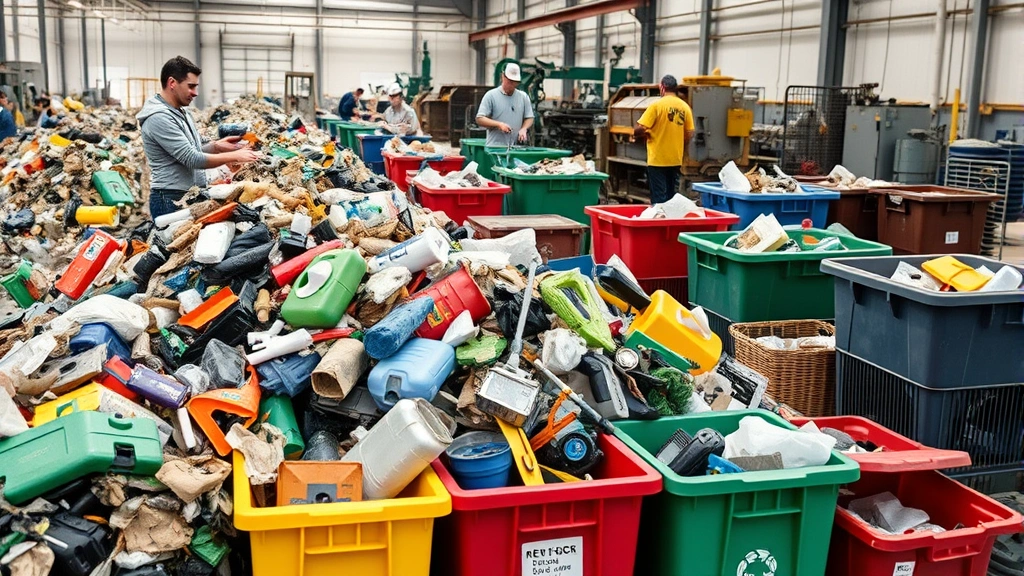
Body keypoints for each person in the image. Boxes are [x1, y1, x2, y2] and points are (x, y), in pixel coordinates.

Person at [137, 56, 261, 219]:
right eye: (191, 87)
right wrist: (235, 156)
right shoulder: (159, 118)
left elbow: (194, 148)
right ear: (172, 83)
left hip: (188, 195)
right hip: (170, 200)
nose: (195, 93)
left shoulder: (181, 111)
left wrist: (217, 146)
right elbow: (192, 158)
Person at [634, 75, 694, 204]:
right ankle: (670, 222)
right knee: (671, 197)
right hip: (675, 158)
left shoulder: (656, 106)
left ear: (662, 87)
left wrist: (644, 132)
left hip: (657, 160)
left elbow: (639, 129)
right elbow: (690, 132)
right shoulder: (685, 107)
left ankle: (659, 222)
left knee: (659, 198)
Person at [476, 63, 534, 147]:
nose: (511, 85)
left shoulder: (523, 97)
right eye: (510, 81)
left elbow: (529, 117)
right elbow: (480, 119)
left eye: (515, 82)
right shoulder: (491, 95)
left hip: (517, 148)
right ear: (502, 76)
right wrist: (499, 125)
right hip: (495, 148)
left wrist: (524, 128)